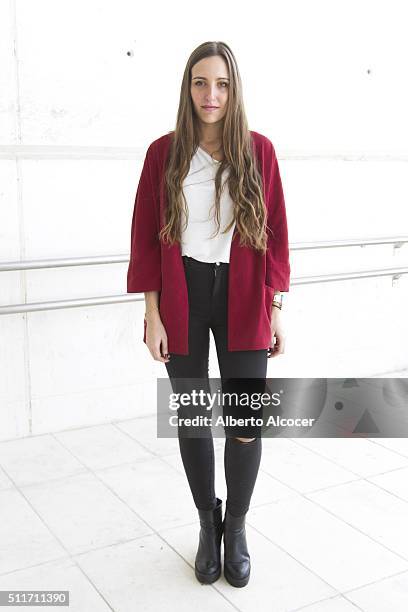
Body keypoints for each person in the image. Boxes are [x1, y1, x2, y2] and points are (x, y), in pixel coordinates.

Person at [127, 41, 290, 588]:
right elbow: (147, 239)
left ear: (234, 89)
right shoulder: (163, 153)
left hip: (244, 292)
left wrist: (275, 307)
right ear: (187, 87)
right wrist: (152, 312)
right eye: (201, 83)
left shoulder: (259, 152)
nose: (211, 95)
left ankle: (237, 526)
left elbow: (278, 236)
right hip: (183, 293)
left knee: (245, 422)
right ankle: (207, 522)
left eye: (221, 84)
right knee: (195, 420)